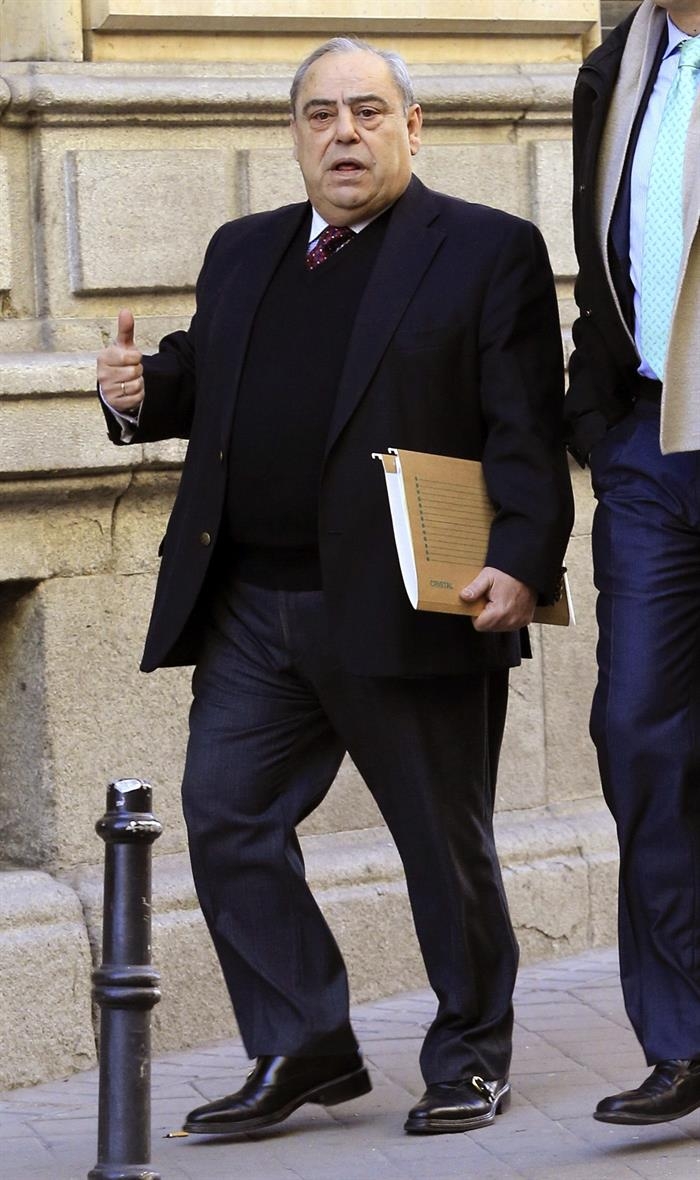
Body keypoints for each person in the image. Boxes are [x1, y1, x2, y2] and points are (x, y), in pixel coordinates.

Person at [97, 38, 572, 1138]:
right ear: (296, 134)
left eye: (368, 111)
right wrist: (141, 389)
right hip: (250, 605)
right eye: (321, 114)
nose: (343, 133)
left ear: (414, 126)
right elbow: (209, 377)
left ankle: (470, 1054)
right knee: (226, 815)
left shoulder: (485, 249)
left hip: (407, 597)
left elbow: (525, 422)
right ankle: (305, 1041)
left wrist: (522, 555)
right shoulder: (244, 249)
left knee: (442, 842)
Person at [566, 0, 700, 1126]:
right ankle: (685, 1035)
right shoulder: (616, 70)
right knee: (638, 732)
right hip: (651, 444)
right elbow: (599, 262)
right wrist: (596, 423)